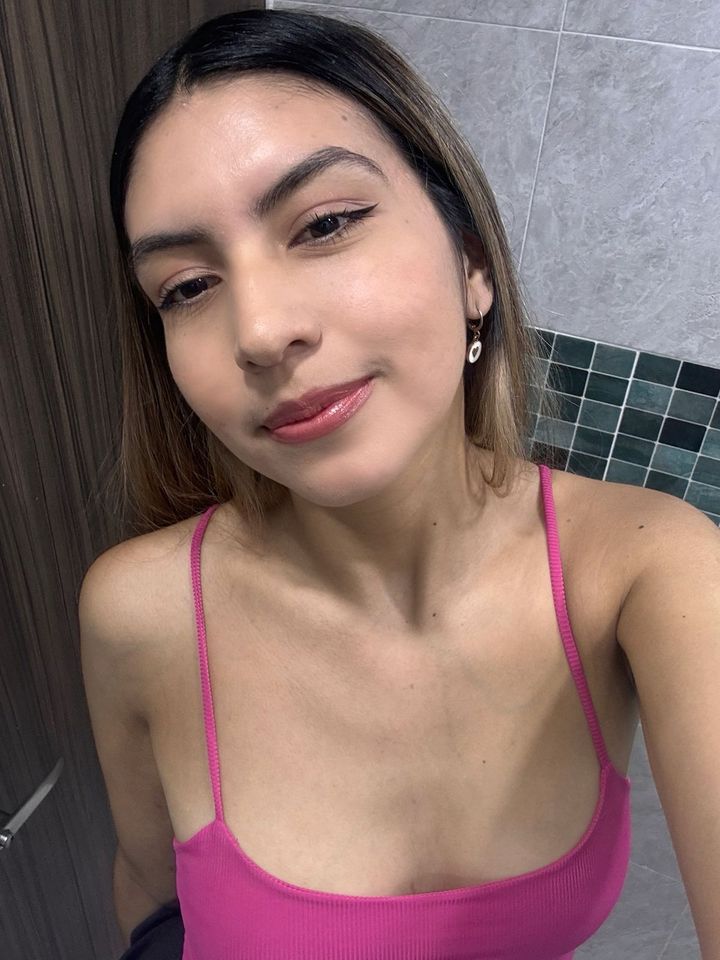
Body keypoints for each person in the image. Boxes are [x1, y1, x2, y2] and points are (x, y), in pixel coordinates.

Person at [78, 8, 720, 960]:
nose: (260, 331)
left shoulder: (648, 572)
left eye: (325, 224)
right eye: (187, 287)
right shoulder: (141, 612)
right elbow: (149, 895)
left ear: (471, 262)